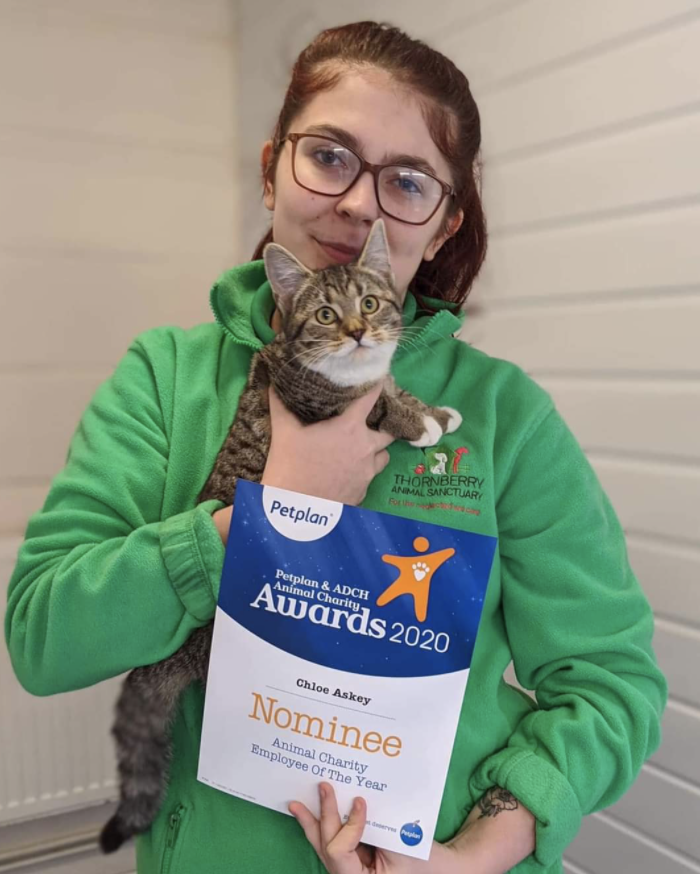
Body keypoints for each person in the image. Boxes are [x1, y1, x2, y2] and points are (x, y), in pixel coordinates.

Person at [5, 20, 666, 874]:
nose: (360, 203)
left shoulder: (506, 416)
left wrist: (483, 848)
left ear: (446, 218)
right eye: (329, 156)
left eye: (408, 180)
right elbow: (42, 638)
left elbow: (611, 685)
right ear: (272, 164)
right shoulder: (166, 380)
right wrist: (267, 513)